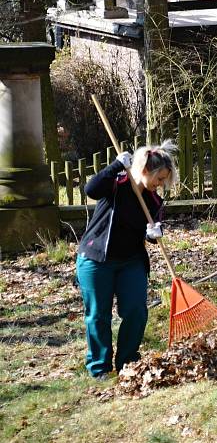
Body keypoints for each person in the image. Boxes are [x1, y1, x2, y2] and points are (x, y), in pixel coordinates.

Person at [75, 141, 177, 379]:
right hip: (96, 259)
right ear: (145, 171)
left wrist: (153, 234)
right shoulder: (116, 185)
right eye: (159, 178)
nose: (160, 185)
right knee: (99, 315)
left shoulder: (153, 201)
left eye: (163, 180)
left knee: (136, 311)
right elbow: (91, 189)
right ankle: (99, 367)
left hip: (130, 261)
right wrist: (114, 167)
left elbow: (147, 228)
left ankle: (127, 362)